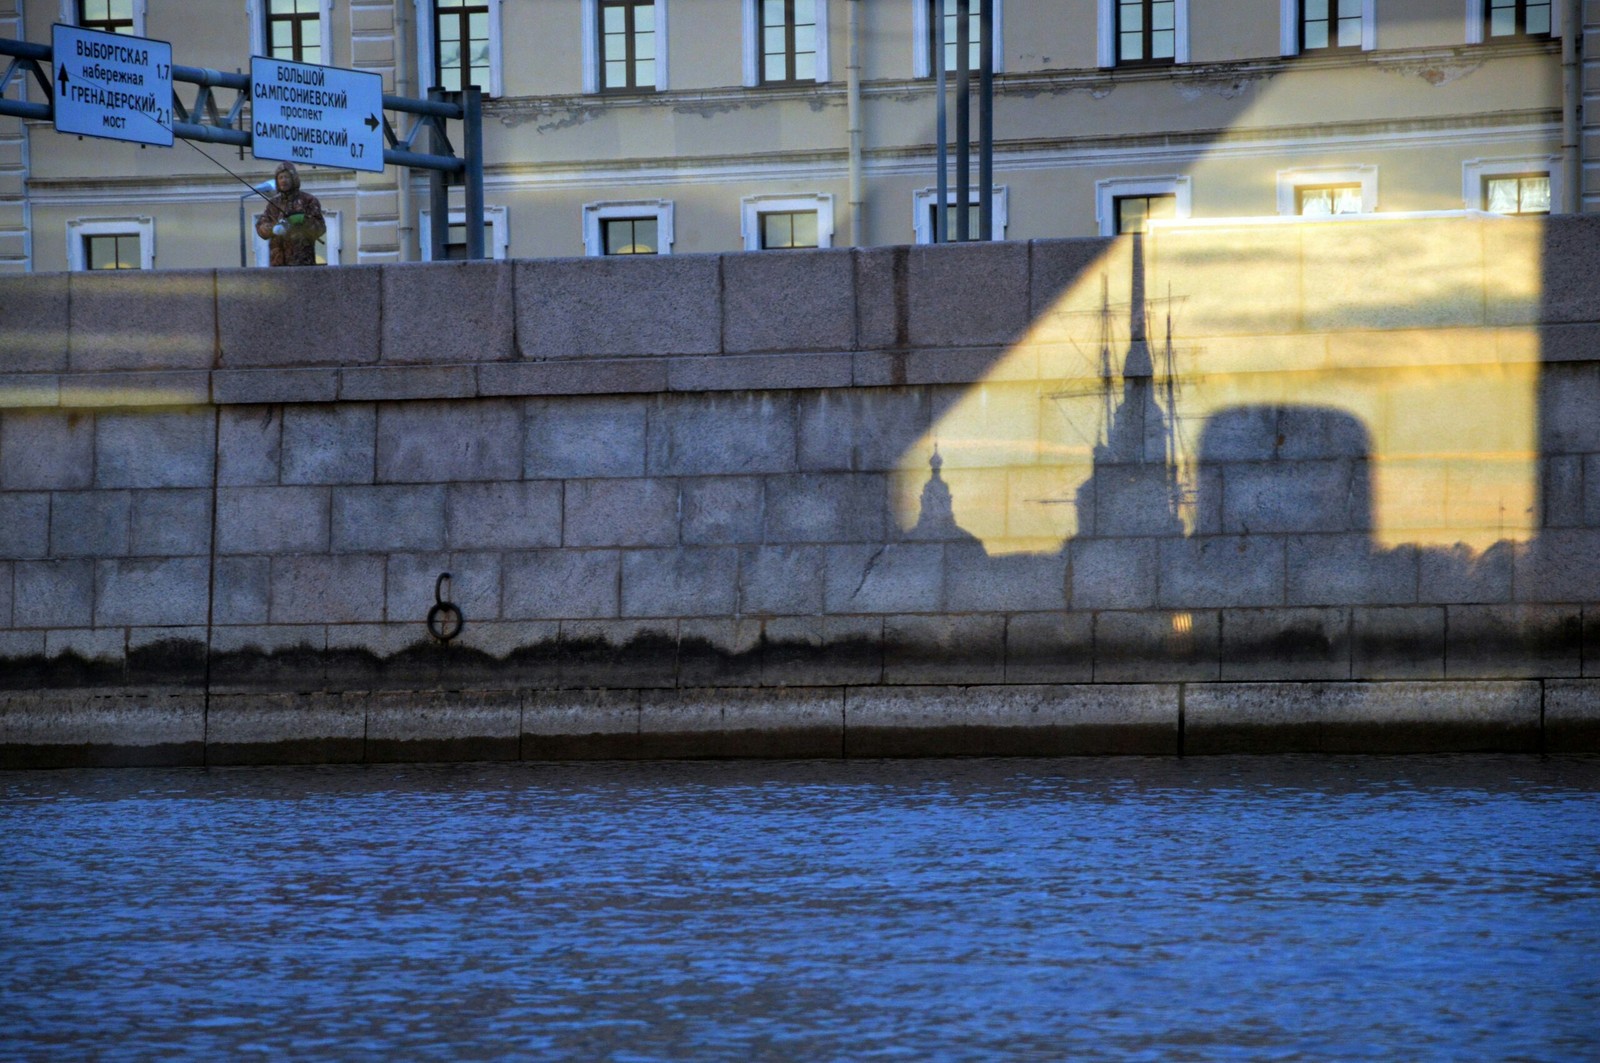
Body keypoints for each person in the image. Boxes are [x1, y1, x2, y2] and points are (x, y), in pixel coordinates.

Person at [255, 162, 327, 267]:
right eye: (280, 177)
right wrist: (273, 228)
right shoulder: (273, 204)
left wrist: (303, 220)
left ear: (294, 179)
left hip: (303, 265)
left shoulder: (308, 200)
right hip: (278, 266)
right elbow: (261, 228)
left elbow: (320, 229)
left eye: (287, 177)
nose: (283, 180)